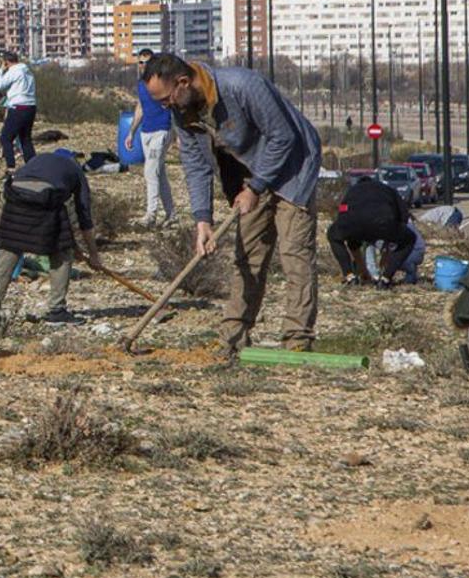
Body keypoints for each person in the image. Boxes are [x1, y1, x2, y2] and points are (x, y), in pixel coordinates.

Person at [141, 52, 321, 354]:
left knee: (295, 256)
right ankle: (233, 337)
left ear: (183, 82)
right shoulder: (182, 112)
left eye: (166, 99)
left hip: (294, 167)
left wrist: (256, 187)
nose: (164, 106)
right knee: (247, 257)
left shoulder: (243, 86)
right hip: (249, 176)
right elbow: (196, 165)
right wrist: (203, 219)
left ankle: (297, 340)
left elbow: (283, 137)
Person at [0, 151, 103, 326]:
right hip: (46, 198)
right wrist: (93, 255)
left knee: (10, 248)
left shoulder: (38, 159)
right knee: (61, 252)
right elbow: (84, 217)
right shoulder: (76, 171)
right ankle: (57, 310)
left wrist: (77, 247)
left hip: (15, 196)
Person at [328, 174, 414, 289]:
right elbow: (404, 216)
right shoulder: (387, 189)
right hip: (383, 223)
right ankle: (385, 279)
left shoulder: (352, 191)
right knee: (409, 239)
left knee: (334, 235)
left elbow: (342, 215)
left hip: (354, 223)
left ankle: (349, 276)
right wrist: (391, 240)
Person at [124, 47, 177, 228]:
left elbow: (174, 105)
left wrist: (177, 133)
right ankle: (171, 214)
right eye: (140, 62)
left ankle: (151, 215)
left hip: (161, 130)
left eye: (147, 62)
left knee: (150, 171)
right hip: (146, 131)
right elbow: (140, 107)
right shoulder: (141, 84)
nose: (143, 66)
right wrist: (131, 132)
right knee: (159, 174)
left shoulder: (162, 82)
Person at [0, 51, 37, 170]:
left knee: (5, 138)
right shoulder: (27, 71)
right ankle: (33, 166)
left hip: (18, 107)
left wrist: (0, 70)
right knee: (25, 138)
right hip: (31, 106)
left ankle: (11, 167)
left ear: (6, 62)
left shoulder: (14, 71)